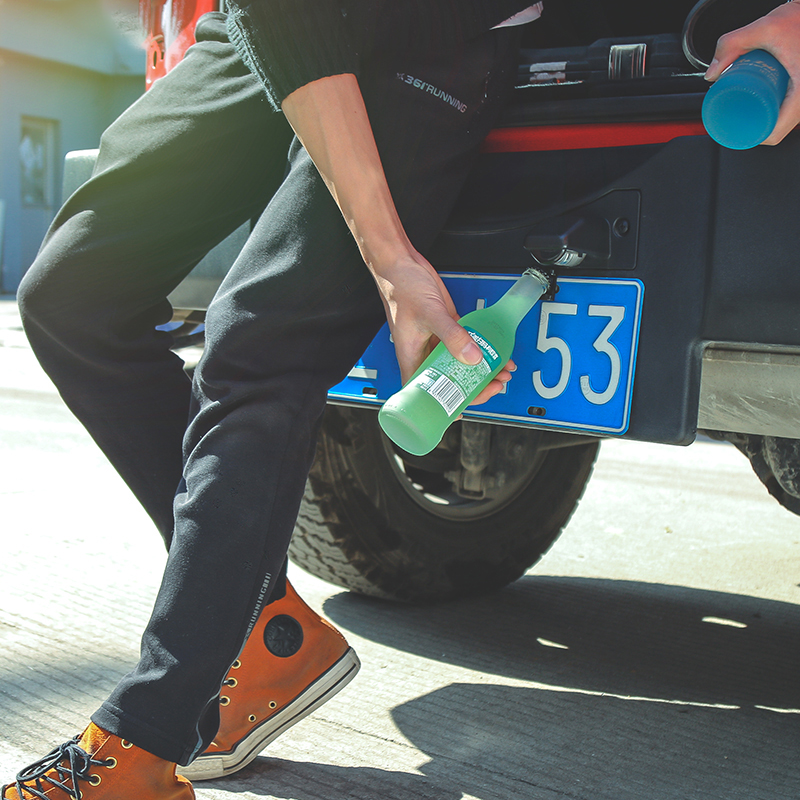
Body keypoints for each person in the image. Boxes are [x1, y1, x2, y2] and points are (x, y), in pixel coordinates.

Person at [3, 2, 540, 799]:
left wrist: (390, 259)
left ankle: (144, 744)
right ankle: (257, 625)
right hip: (268, 24)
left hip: (432, 29)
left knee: (257, 346)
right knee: (74, 294)